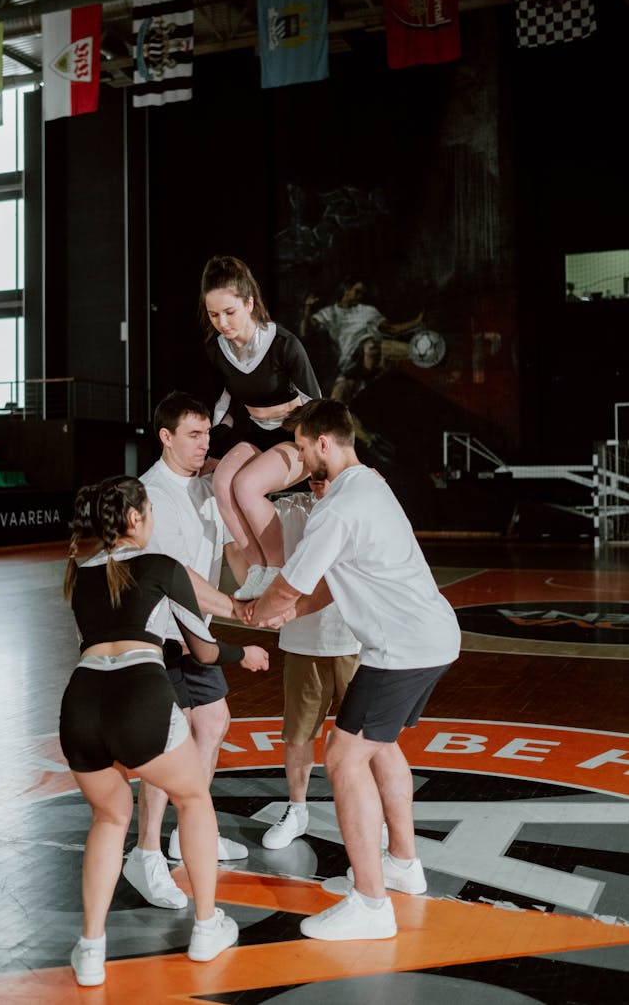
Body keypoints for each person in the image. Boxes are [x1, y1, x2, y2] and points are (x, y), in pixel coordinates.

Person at [243, 399, 461, 942]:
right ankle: (403, 866)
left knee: (342, 757)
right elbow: (321, 586)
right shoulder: (368, 485)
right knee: (381, 746)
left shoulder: (337, 507)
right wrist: (290, 609)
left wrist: (256, 611)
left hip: (401, 648)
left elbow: (290, 585)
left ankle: (370, 902)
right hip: (429, 639)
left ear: (323, 443)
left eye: (299, 447)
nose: (297, 459)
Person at [60, 475, 268, 986]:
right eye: (149, 510)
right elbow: (204, 651)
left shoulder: (77, 572)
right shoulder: (163, 567)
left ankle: (90, 951)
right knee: (194, 798)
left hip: (81, 703)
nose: (153, 518)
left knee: (110, 818)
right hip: (139, 697)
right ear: (134, 519)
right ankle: (205, 927)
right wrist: (247, 654)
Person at [122, 392, 252, 913]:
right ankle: (146, 852)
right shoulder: (152, 494)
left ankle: (189, 829)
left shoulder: (205, 488)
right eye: (193, 436)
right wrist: (241, 611)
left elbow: (230, 552)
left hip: (195, 630)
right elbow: (182, 582)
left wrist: (258, 591)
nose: (204, 445)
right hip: (160, 635)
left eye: (207, 434)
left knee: (214, 722)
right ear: (166, 437)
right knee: (168, 744)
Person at [200, 255, 321, 598]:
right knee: (222, 483)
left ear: (249, 303)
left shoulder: (284, 345)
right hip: (257, 431)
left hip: (295, 434)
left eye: (229, 312)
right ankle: (258, 569)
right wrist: (211, 451)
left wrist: (336, 465)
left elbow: (317, 407)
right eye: (213, 314)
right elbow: (224, 405)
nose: (222, 322)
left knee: (247, 485)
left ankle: (278, 570)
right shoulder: (217, 349)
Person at [261, 476, 361, 850]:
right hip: (303, 638)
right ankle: (297, 809)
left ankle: (372, 813)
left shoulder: (356, 502)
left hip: (353, 637)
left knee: (364, 737)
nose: (320, 482)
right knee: (298, 733)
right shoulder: (287, 508)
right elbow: (242, 488)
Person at [300, 276, 423, 390]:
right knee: (340, 396)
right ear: (346, 289)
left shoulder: (367, 311)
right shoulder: (330, 313)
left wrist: (416, 322)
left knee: (416, 353)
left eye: (362, 293)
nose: (359, 296)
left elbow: (390, 329)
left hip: (375, 350)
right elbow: (305, 331)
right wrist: (308, 309)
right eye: (357, 291)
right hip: (350, 361)